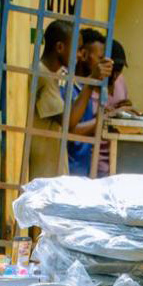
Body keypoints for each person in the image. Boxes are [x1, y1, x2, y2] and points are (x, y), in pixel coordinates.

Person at [28, 20, 73, 180]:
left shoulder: (49, 74)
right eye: (75, 49)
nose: (79, 55)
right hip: (44, 170)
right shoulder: (43, 75)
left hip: (48, 166)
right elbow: (69, 122)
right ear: (60, 47)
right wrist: (90, 84)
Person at [66, 28, 113, 176]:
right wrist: (99, 121)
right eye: (100, 58)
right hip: (69, 170)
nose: (102, 65)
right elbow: (68, 130)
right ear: (84, 55)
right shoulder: (68, 86)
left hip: (82, 168)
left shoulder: (83, 88)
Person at [90, 39, 135, 177]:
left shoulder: (120, 81)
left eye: (120, 70)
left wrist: (126, 111)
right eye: (115, 70)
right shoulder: (89, 88)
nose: (116, 75)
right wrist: (109, 114)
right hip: (95, 160)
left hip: (118, 156)